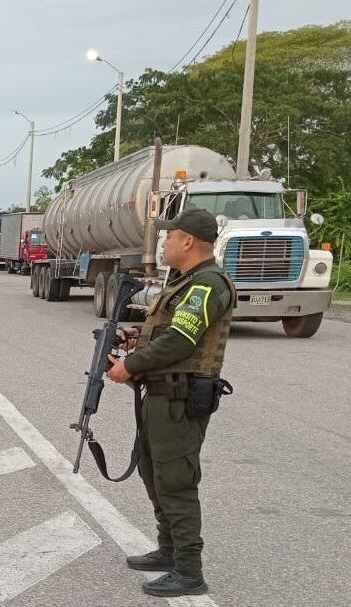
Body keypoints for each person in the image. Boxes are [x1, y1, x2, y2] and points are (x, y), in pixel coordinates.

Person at [105, 208, 234, 598]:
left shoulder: (207, 283)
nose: (164, 242)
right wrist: (136, 345)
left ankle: (189, 571)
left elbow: (181, 341)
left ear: (188, 241)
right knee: (153, 471)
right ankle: (169, 550)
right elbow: (170, 334)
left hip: (179, 400)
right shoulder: (187, 281)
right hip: (161, 394)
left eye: (169, 236)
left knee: (176, 481)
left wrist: (131, 365)